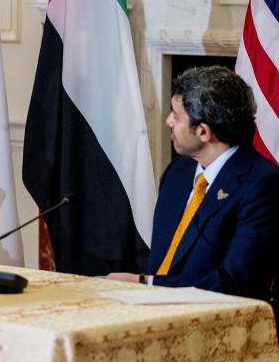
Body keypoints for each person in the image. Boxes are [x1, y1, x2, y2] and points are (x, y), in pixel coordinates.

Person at [108, 66, 279, 304]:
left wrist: (146, 283)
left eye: (176, 116)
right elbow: (161, 260)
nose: (168, 121)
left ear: (203, 132)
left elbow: (235, 282)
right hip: (147, 311)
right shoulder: (178, 172)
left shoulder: (261, 185)